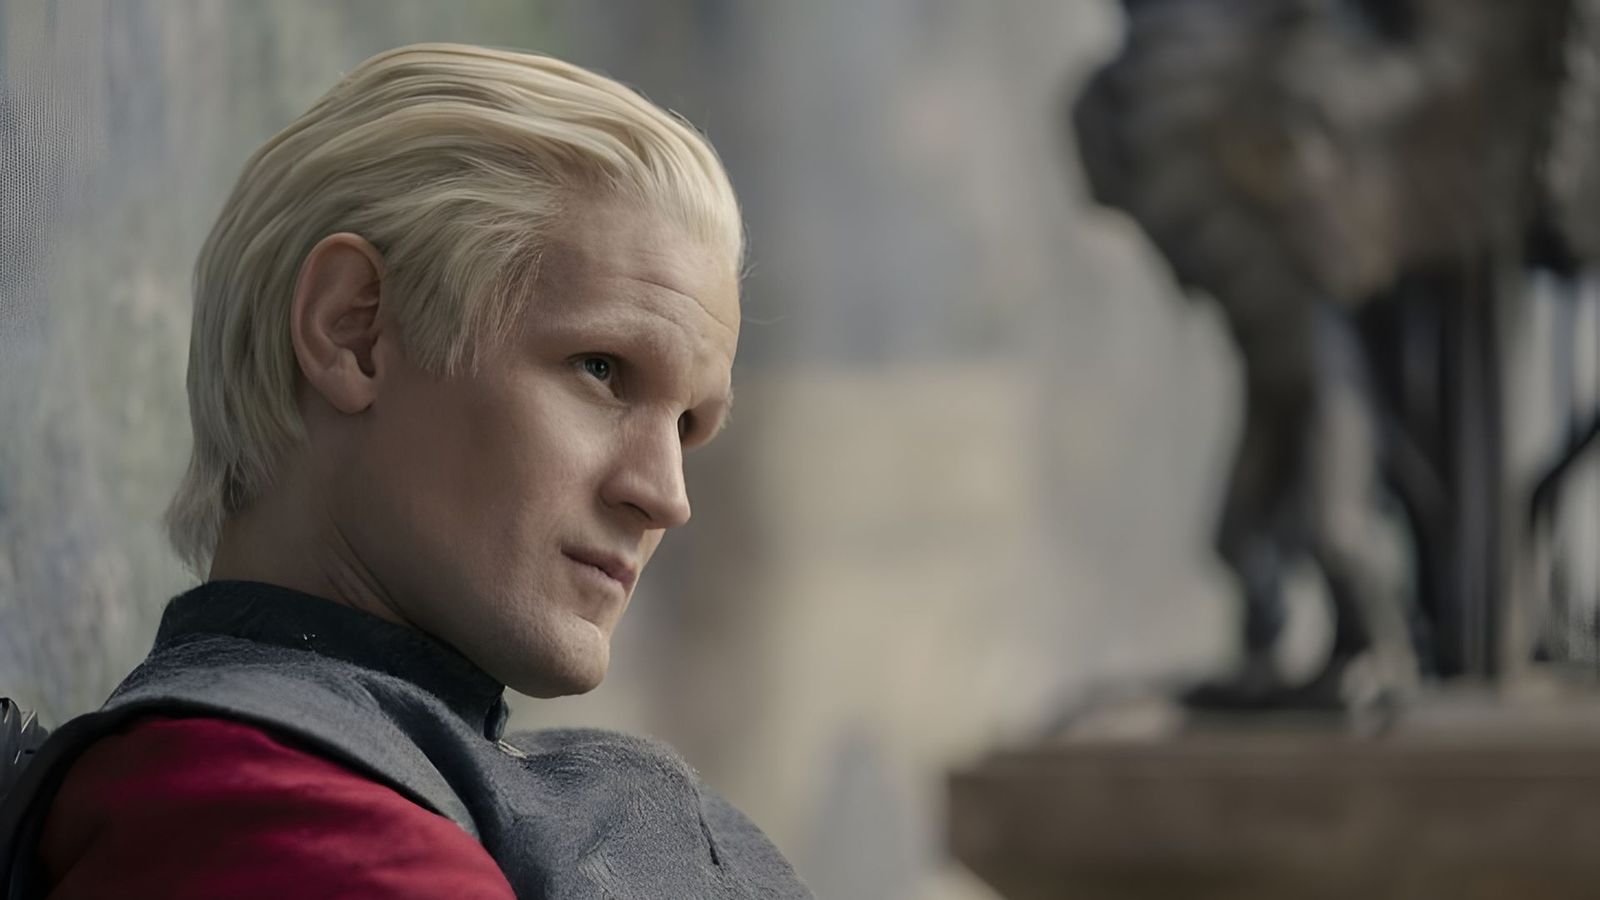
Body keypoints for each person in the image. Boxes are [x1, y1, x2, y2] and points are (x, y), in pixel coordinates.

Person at [0, 42, 809, 899]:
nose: (666, 497)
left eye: (687, 425)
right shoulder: (280, 821)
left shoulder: (368, 790)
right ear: (353, 330)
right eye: (602, 370)